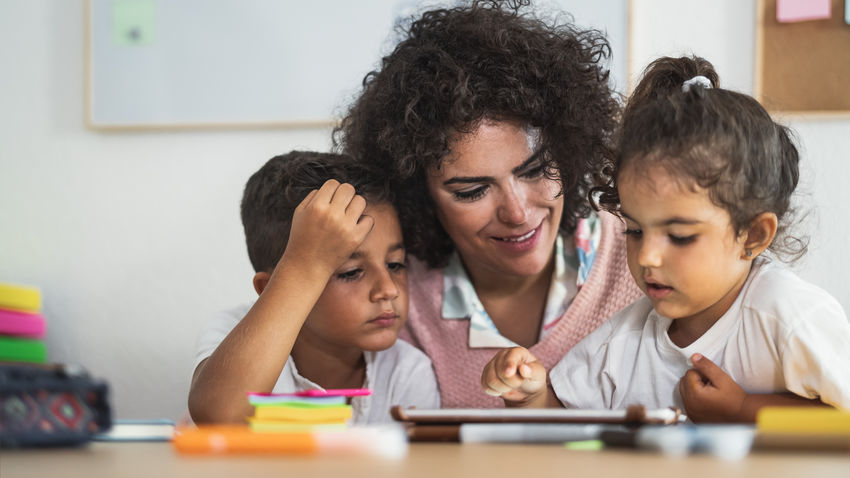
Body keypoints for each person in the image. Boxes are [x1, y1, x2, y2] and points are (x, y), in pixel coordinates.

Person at [481, 56, 850, 421]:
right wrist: (531, 397)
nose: (647, 257)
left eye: (679, 236)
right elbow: (564, 422)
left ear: (752, 235)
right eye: (635, 230)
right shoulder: (624, 340)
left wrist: (743, 409)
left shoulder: (787, 317)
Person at [335, 0, 642, 407]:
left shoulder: (646, 249)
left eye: (535, 170)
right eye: (472, 191)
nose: (517, 212)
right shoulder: (393, 294)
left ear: (568, 151)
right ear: (418, 195)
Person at [188, 151, 439, 424]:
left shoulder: (406, 371)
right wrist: (302, 265)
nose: (389, 290)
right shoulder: (232, 331)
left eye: (395, 264)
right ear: (270, 288)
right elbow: (219, 416)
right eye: (351, 272)